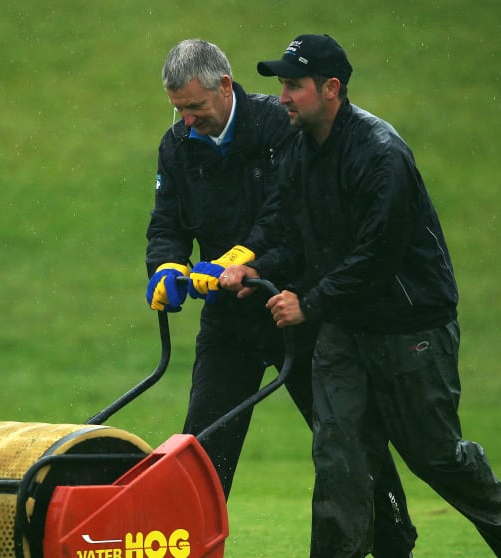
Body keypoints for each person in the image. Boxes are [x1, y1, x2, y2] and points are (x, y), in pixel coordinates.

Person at [220, 34, 501, 558]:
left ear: (331, 89)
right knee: (338, 456)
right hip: (345, 326)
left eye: (293, 86)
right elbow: (291, 235)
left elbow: (377, 257)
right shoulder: (301, 151)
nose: (281, 97)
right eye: (281, 85)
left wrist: (309, 302)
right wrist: (254, 266)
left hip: (409, 324)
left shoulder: (380, 153)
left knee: (432, 454)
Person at [145, 39, 417, 558]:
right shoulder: (176, 144)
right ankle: (187, 548)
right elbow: (167, 223)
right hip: (229, 322)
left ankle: (393, 541)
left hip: (296, 309)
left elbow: (289, 213)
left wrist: (247, 258)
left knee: (346, 439)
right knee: (202, 448)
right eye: (178, 109)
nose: (187, 121)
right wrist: (165, 269)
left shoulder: (280, 126)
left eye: (195, 108)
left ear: (225, 87)